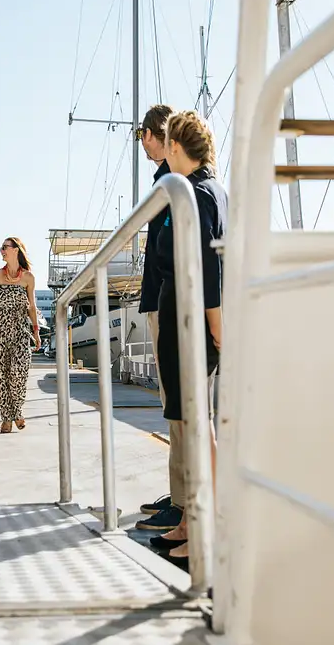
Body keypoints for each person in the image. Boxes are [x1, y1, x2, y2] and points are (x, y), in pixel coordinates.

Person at [144, 110, 226, 572]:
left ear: (175, 147)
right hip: (184, 317)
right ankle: (190, 523)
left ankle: (204, 528)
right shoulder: (201, 190)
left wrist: (216, 328)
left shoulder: (197, 193)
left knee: (199, 427)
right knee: (189, 421)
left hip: (193, 320)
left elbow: (209, 269)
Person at [133, 103, 184, 532]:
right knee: (171, 402)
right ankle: (180, 492)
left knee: (179, 402)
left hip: (170, 301)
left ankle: (185, 502)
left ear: (155, 134)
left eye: (142, 136)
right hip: (161, 298)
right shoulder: (167, 180)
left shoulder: (175, 181)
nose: (142, 144)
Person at [0, 237, 41, 433]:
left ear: (16, 250)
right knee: (2, 377)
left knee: (18, 373)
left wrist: (36, 332)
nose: (2, 250)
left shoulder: (28, 277)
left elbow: (32, 308)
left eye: (5, 247)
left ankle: (17, 411)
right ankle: (7, 418)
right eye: (1, 248)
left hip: (20, 332)